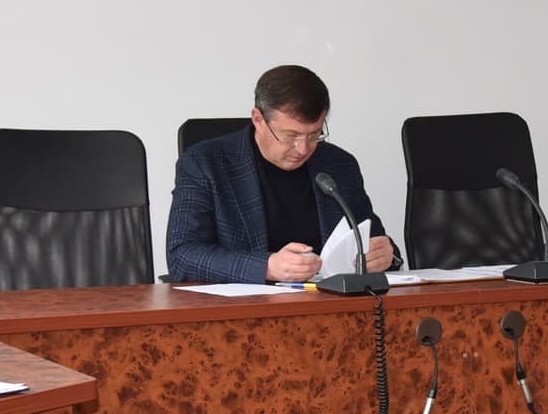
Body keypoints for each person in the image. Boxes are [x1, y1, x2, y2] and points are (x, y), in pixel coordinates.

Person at [167, 64, 401, 284]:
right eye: (291, 136)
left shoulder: (338, 165)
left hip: (327, 303)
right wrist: (266, 266)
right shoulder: (205, 163)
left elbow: (372, 238)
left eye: (314, 134)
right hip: (246, 306)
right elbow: (182, 255)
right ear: (258, 119)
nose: (303, 148)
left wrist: (386, 254)